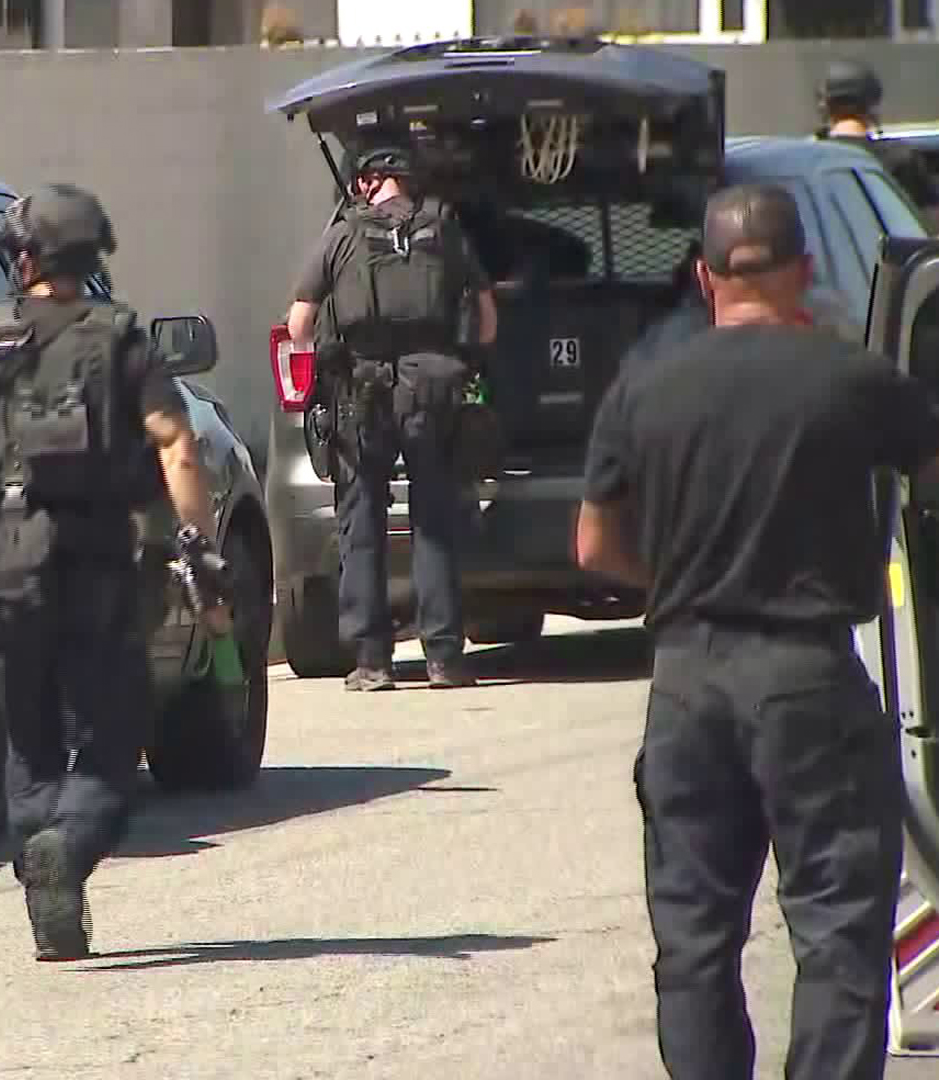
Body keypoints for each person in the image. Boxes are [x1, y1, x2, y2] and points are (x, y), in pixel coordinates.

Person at [576, 182, 939, 1080]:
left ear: (705, 277)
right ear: (804, 271)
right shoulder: (852, 381)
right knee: (836, 932)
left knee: (695, 943)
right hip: (809, 679)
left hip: (688, 681)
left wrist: (688, 579)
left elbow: (593, 544)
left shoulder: (646, 386)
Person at [0, 183, 233, 961]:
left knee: (29, 739)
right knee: (109, 746)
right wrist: (197, 543)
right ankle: (68, 849)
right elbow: (176, 444)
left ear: (29, 257)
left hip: (0, 562)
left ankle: (51, 905)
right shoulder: (120, 339)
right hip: (94, 563)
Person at [285, 143, 499, 692]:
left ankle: (373, 661)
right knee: (434, 518)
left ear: (366, 184)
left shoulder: (341, 235)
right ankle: (444, 658)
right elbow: (488, 319)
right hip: (432, 388)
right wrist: (463, 360)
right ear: (409, 182)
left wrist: (330, 359)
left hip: (362, 390)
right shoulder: (444, 231)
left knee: (362, 521)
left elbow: (300, 324)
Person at [815, 57, 939, 228]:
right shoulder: (901, 159)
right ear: (872, 104)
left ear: (825, 106)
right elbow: (929, 221)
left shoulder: (806, 161)